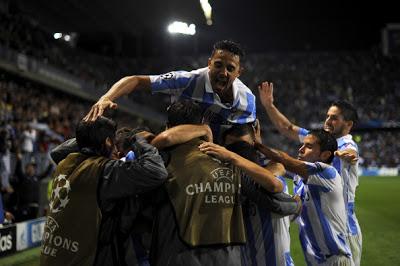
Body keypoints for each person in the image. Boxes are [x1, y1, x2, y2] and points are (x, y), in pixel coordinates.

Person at [148, 100, 300, 266]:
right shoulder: (226, 163)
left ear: (167, 126)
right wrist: (294, 204)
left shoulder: (155, 161)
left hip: (174, 257)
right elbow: (275, 197)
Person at [40, 116, 168, 266]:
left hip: (54, 257)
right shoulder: (103, 171)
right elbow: (157, 172)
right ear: (108, 141)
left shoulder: (67, 162)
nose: (116, 151)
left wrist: (88, 136)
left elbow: (57, 152)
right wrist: (139, 141)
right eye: (113, 142)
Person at [258, 82, 362, 265]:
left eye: (334, 118)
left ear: (349, 124)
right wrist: (269, 106)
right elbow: (287, 128)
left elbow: (352, 152)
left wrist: (349, 155)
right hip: (319, 223)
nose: (328, 121)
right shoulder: (319, 141)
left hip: (343, 229)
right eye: (327, 116)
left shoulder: (345, 144)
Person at [84, 40, 256, 141]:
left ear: (239, 73)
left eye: (230, 68)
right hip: (180, 143)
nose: (223, 72)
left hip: (219, 151)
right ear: (209, 63)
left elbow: (252, 130)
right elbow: (135, 80)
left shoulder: (247, 100)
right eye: (218, 65)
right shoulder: (187, 80)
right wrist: (106, 97)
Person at [255, 129, 353, 266]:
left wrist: (256, 145)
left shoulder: (326, 172)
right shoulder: (301, 177)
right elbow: (276, 163)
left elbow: (284, 160)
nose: (301, 149)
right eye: (303, 144)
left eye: (309, 146)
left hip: (335, 260)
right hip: (315, 261)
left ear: (325, 155)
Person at [221, 124, 295, 266]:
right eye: (232, 149)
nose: (239, 152)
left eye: (243, 147)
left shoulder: (269, 174)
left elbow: (276, 186)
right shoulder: (224, 178)